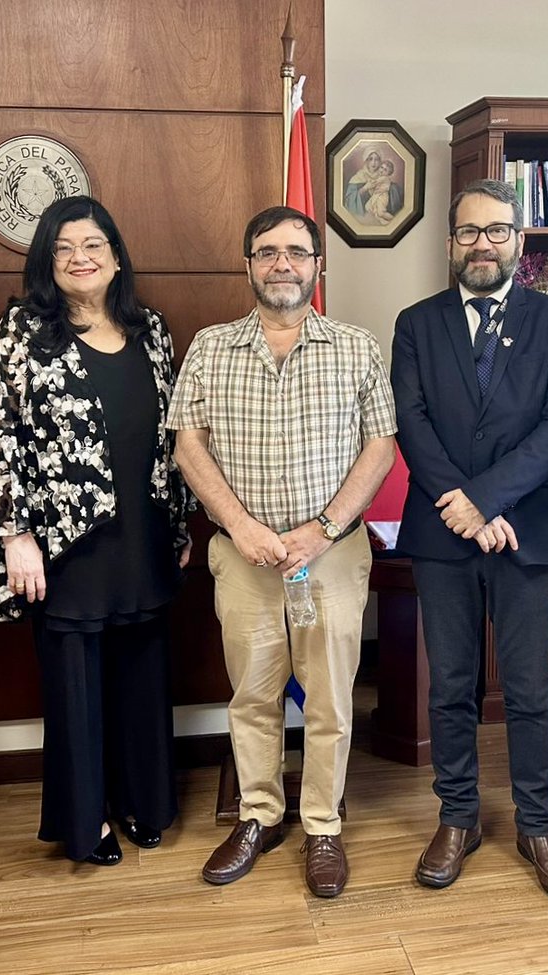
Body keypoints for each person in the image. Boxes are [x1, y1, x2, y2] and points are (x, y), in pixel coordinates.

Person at [0, 195, 192, 869]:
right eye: (63, 249)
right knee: (76, 685)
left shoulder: (152, 328)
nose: (79, 257)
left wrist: (178, 520)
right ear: (47, 264)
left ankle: (146, 801)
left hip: (144, 534)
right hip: (63, 543)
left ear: (116, 256)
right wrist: (13, 534)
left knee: (143, 673)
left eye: (92, 244)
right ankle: (87, 823)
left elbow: (174, 436)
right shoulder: (23, 331)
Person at [169, 206, 396, 898]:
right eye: (267, 252)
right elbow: (188, 444)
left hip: (330, 556)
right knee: (254, 695)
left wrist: (322, 527)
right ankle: (260, 815)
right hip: (245, 559)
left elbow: (380, 446)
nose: (282, 264)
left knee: (329, 699)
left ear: (317, 264)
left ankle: (322, 823)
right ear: (248, 265)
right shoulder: (210, 348)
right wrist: (239, 526)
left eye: (297, 251)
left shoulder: (356, 347)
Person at [391, 178, 548, 902]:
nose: (483, 244)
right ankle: (459, 817)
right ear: (450, 244)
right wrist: (464, 506)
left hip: (524, 530)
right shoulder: (417, 322)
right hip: (443, 532)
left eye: (497, 230)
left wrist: (485, 497)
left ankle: (538, 824)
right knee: (450, 685)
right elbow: (411, 419)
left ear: (519, 242)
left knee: (531, 689)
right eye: (469, 232)